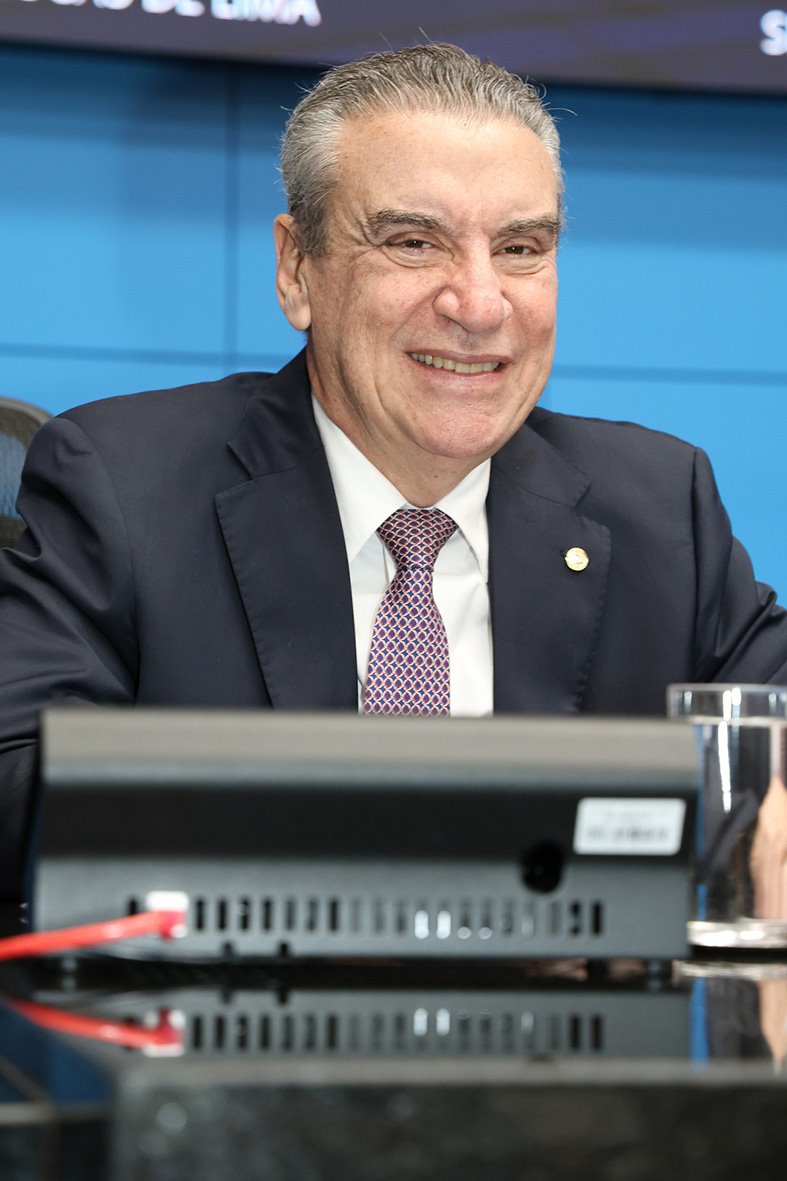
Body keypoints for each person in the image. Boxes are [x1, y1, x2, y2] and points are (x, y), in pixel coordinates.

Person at [1, 44, 786, 898]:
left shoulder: (658, 506)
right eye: (414, 242)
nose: (479, 304)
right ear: (296, 270)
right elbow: (21, 787)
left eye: (520, 247)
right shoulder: (123, 485)